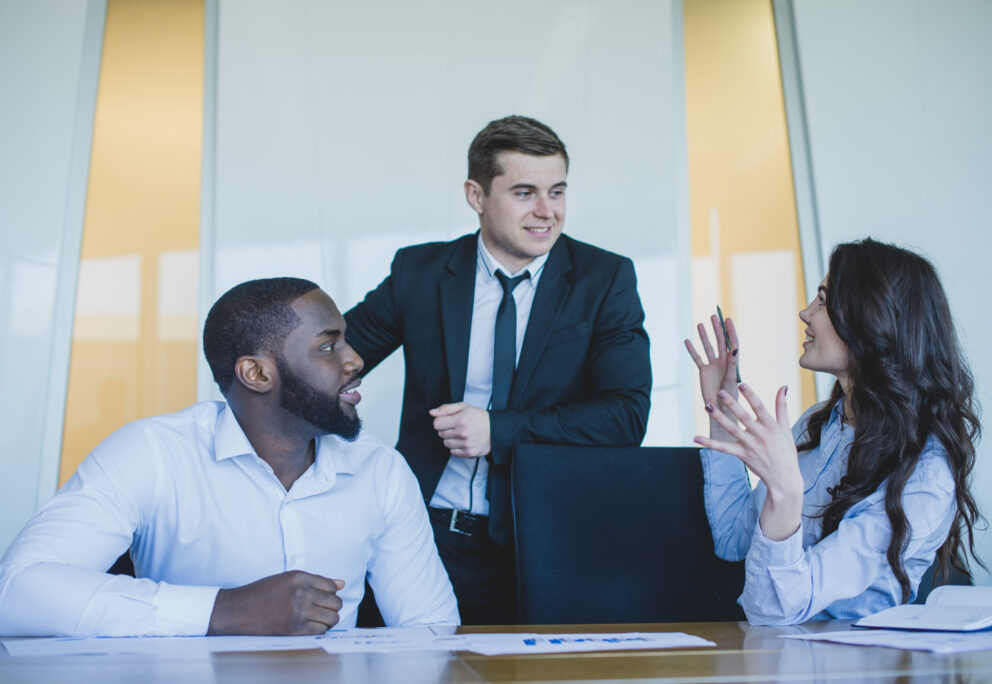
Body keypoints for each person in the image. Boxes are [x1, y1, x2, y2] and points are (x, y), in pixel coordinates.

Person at [0, 278, 459, 636]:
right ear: (256, 373)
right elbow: (16, 591)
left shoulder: (380, 470)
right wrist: (224, 609)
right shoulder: (151, 453)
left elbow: (431, 629)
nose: (355, 359)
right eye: (328, 345)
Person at [344, 115, 652, 624]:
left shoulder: (605, 279)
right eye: (525, 192)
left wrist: (498, 429)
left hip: (541, 540)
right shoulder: (418, 273)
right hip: (420, 534)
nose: (546, 212)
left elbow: (625, 417)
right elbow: (335, 360)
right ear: (476, 194)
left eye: (557, 192)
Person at [685, 238, 983, 625]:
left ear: (874, 319)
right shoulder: (817, 425)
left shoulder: (925, 475)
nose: (805, 313)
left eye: (823, 300)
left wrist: (787, 494)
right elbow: (732, 539)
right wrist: (723, 408)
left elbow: (773, 610)